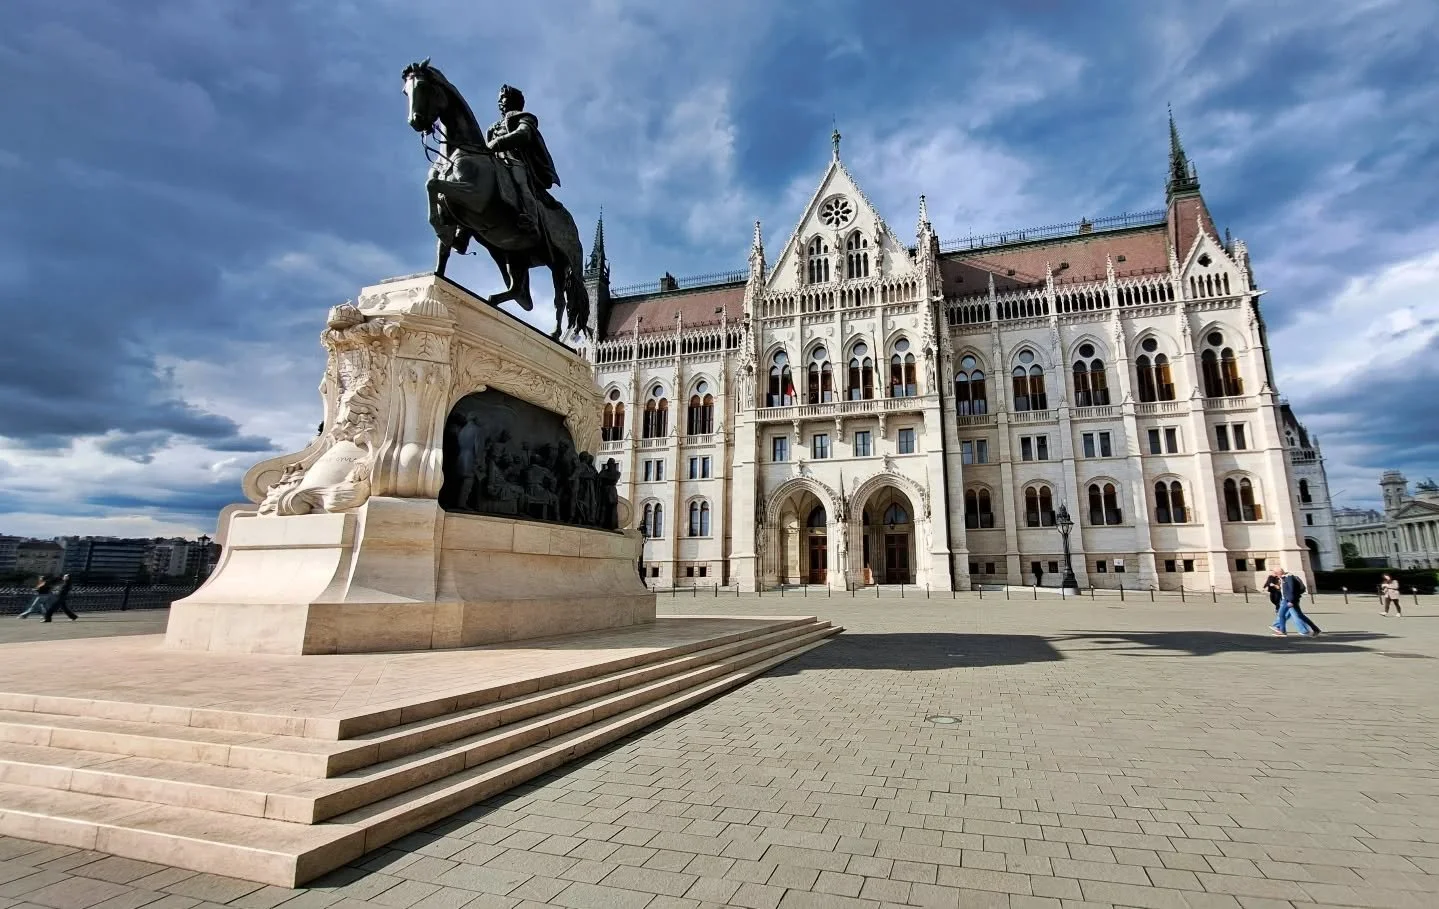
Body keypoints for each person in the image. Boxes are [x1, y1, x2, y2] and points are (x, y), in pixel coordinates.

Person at [1270, 567, 1320, 637]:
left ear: (1279, 573)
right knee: (1300, 616)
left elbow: (1292, 590)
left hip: (1289, 600)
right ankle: (1316, 629)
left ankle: (1282, 631)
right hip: (1287, 599)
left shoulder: (1289, 577)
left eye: (1275, 574)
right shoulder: (1284, 578)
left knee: (1281, 614)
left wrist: (1291, 601)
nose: (1275, 575)